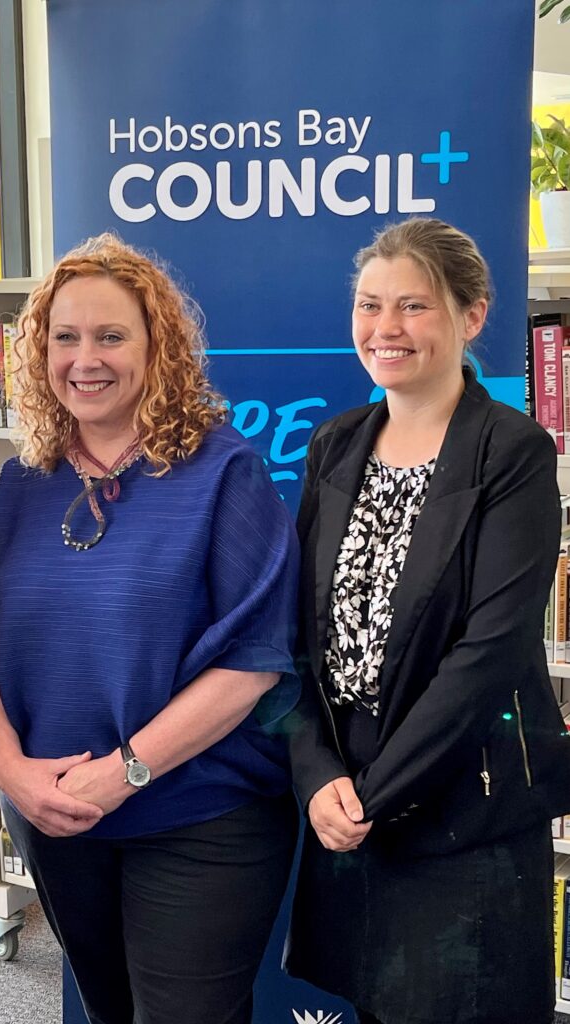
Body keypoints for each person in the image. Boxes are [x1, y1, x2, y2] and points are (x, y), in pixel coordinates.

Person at [0, 233, 300, 1024]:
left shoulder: (222, 470)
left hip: (198, 818)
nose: (84, 358)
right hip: (55, 816)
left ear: (156, 347)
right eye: (64, 337)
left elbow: (254, 661)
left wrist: (123, 773)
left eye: (110, 336)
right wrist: (13, 772)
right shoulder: (25, 482)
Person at [284, 217, 570, 1024]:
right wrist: (316, 777)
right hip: (345, 804)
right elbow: (295, 637)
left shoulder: (510, 453)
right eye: (370, 305)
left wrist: (371, 796)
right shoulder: (333, 446)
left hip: (457, 816)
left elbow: (489, 653)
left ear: (470, 316)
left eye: (413, 306)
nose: (385, 329)